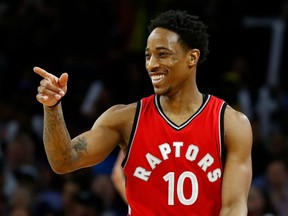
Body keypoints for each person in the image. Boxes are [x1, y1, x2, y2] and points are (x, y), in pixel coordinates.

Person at [34, 10, 253, 216]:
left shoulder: (230, 123)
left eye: (162, 54)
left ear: (192, 58)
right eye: (148, 56)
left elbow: (234, 205)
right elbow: (64, 161)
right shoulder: (125, 119)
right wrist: (52, 107)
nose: (152, 64)